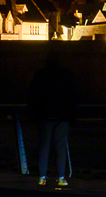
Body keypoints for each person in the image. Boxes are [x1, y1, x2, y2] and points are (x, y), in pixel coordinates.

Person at [25, 55, 77, 186]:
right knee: (61, 147)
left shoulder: (41, 74)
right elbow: (73, 93)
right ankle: (61, 177)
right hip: (63, 115)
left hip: (45, 115)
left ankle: (42, 177)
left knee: (44, 146)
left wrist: (34, 113)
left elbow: (33, 93)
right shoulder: (66, 74)